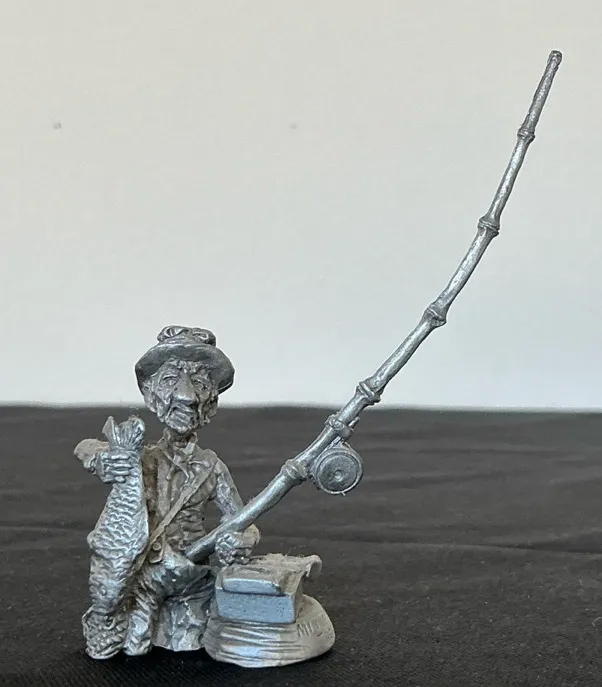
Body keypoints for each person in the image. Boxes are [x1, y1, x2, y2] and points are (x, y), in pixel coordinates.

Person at [75, 325, 259, 658]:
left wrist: (239, 541)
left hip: (190, 578)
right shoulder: (144, 459)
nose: (187, 395)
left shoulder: (211, 467)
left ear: (210, 402)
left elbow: (243, 521)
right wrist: (103, 458)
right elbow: (86, 446)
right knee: (133, 644)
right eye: (171, 380)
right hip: (145, 575)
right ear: (151, 395)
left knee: (198, 633)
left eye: (199, 383)